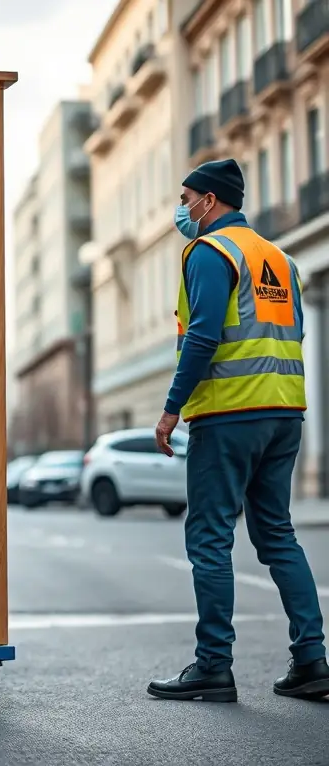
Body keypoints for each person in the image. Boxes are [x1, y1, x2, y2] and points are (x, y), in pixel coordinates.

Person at [149, 158, 329, 703]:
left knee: (209, 537)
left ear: (211, 199)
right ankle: (313, 660)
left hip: (227, 415)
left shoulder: (211, 252)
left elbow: (202, 337)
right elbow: (292, 334)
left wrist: (171, 408)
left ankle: (213, 666)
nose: (182, 209)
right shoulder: (280, 259)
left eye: (186, 199)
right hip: (284, 413)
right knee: (277, 534)